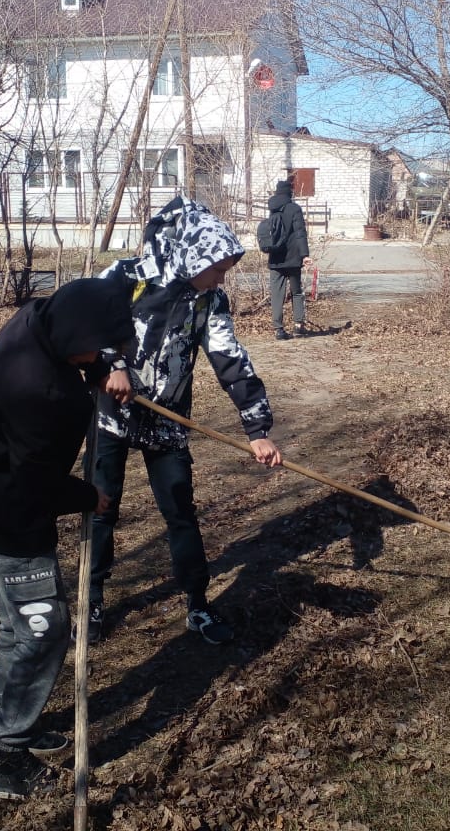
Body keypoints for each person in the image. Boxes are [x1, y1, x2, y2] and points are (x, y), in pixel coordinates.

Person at [0, 278, 136, 801]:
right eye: (95, 348)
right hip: (13, 511)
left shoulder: (37, 318)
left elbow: (80, 351)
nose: (97, 356)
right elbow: (36, 479)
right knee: (43, 630)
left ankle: (1, 723)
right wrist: (86, 497)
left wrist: (102, 367)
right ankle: (9, 759)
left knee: (18, 624)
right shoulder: (37, 389)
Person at [88, 195, 282, 646]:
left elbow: (230, 359)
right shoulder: (126, 276)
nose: (220, 278)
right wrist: (111, 364)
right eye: (216, 268)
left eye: (224, 271)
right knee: (100, 508)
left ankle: (197, 604)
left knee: (180, 512)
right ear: (194, 255)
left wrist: (257, 430)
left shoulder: (208, 301)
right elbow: (86, 325)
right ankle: (92, 599)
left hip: (167, 421)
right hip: (110, 415)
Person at [266, 178, 313, 340]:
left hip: (275, 258)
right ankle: (298, 326)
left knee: (277, 295)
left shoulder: (272, 208)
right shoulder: (294, 209)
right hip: (293, 259)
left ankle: (278, 330)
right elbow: (300, 233)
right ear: (290, 193)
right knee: (297, 292)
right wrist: (305, 255)